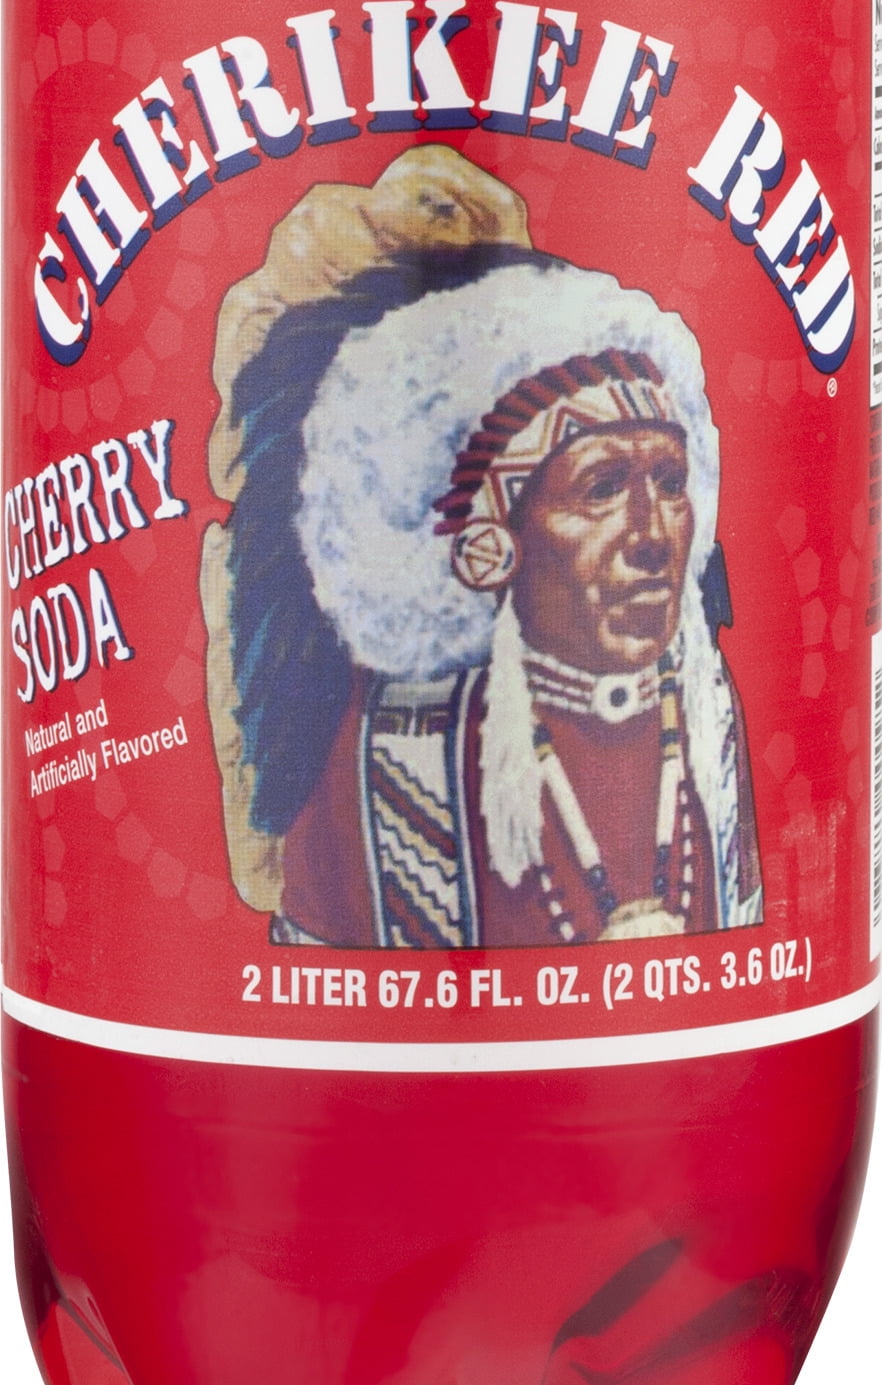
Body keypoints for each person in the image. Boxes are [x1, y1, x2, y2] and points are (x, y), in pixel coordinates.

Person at [200, 147, 762, 948]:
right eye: (602, 488)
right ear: (492, 547)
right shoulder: (392, 750)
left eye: (670, 482)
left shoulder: (705, 707)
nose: (650, 534)